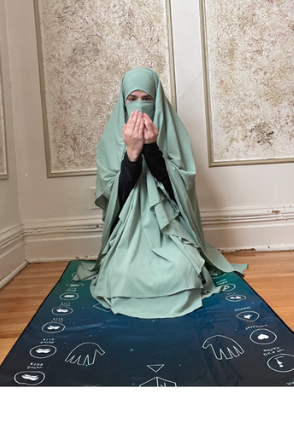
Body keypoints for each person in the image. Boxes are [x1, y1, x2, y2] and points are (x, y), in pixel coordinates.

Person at [72, 66, 248, 319]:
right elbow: (112, 198)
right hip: (127, 231)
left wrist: (152, 148)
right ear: (123, 102)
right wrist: (131, 155)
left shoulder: (175, 135)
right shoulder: (110, 141)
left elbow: (180, 190)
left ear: (159, 102)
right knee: (121, 274)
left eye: (147, 99)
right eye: (132, 99)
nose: (140, 106)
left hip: (169, 228)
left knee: (183, 272)